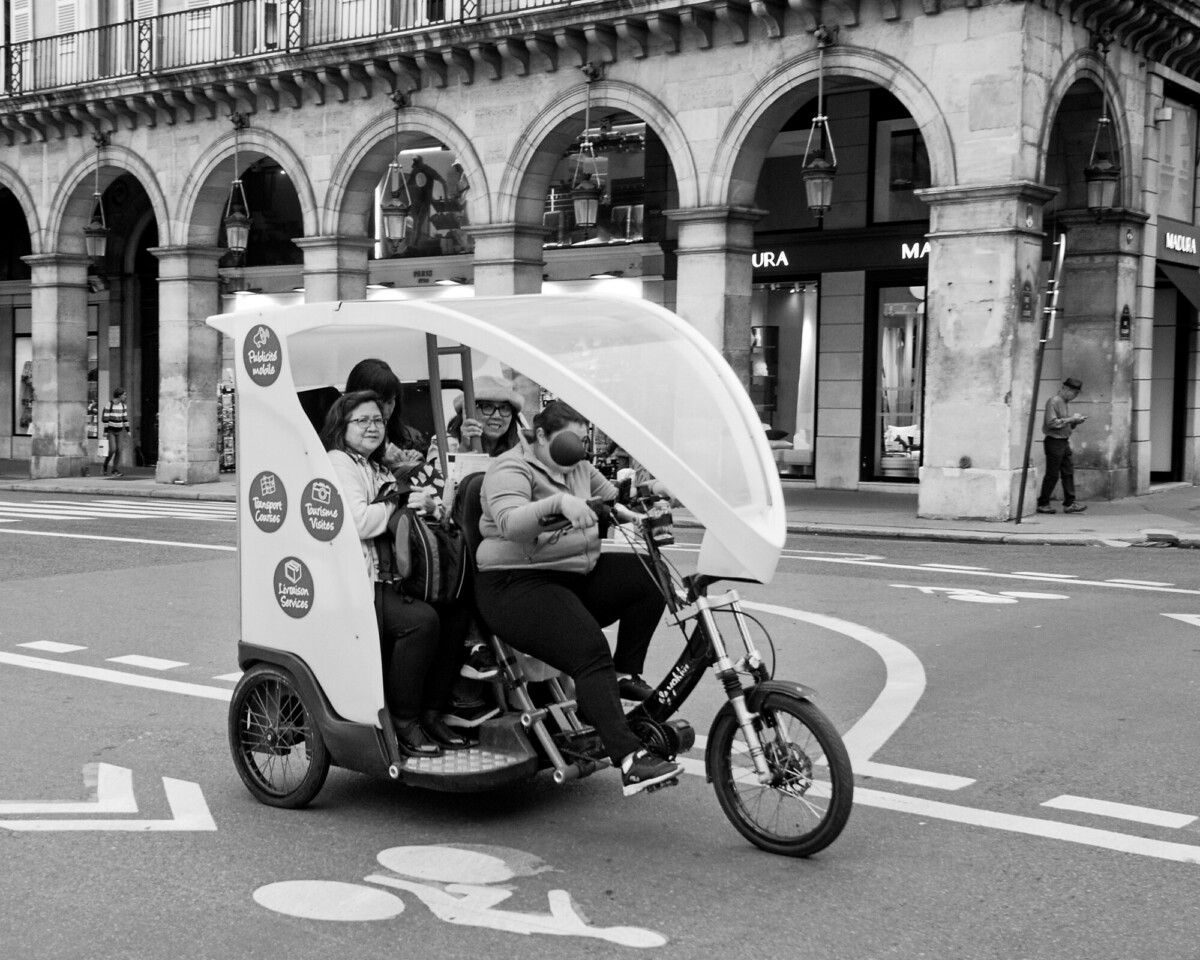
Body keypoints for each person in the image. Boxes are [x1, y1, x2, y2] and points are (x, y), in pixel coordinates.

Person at [473, 400, 682, 797]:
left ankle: (621, 676)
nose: (576, 453)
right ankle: (630, 760)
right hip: (515, 584)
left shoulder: (579, 468)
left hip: (570, 575)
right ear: (540, 437)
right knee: (588, 649)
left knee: (649, 578)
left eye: (580, 442)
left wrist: (655, 490)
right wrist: (559, 504)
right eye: (567, 443)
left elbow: (616, 500)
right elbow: (511, 523)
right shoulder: (510, 467)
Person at [322, 390, 470, 756]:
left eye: (378, 420)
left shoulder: (377, 467)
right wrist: (398, 500)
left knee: (455, 612)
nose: (373, 427)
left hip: (394, 577)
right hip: (361, 583)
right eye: (363, 420)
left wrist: (428, 504)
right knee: (420, 623)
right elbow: (358, 521)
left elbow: (399, 512)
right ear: (343, 426)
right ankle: (404, 721)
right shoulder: (339, 462)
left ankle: (433, 713)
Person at [411, 375, 527, 715]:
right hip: (457, 541)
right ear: (467, 413)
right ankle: (473, 660)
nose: (495, 415)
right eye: (486, 407)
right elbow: (434, 498)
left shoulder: (518, 452)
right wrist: (462, 448)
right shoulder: (443, 444)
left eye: (504, 409)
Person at [1037, 376, 1088, 515]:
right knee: (1052, 474)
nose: (1075, 396)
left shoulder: (1063, 402)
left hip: (1062, 441)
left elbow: (1062, 424)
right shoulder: (1054, 401)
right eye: (1074, 393)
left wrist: (1075, 422)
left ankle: (1070, 503)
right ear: (1065, 389)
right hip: (1054, 441)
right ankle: (1043, 503)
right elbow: (1051, 423)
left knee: (1067, 472)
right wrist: (1071, 419)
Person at [101, 387, 130, 477]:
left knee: (119, 450)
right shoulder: (109, 405)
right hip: (111, 430)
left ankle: (115, 470)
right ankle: (105, 465)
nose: (125, 396)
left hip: (119, 430)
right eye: (124, 395)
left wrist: (128, 430)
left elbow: (125, 419)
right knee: (112, 449)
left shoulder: (123, 406)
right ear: (119, 395)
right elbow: (106, 419)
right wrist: (105, 431)